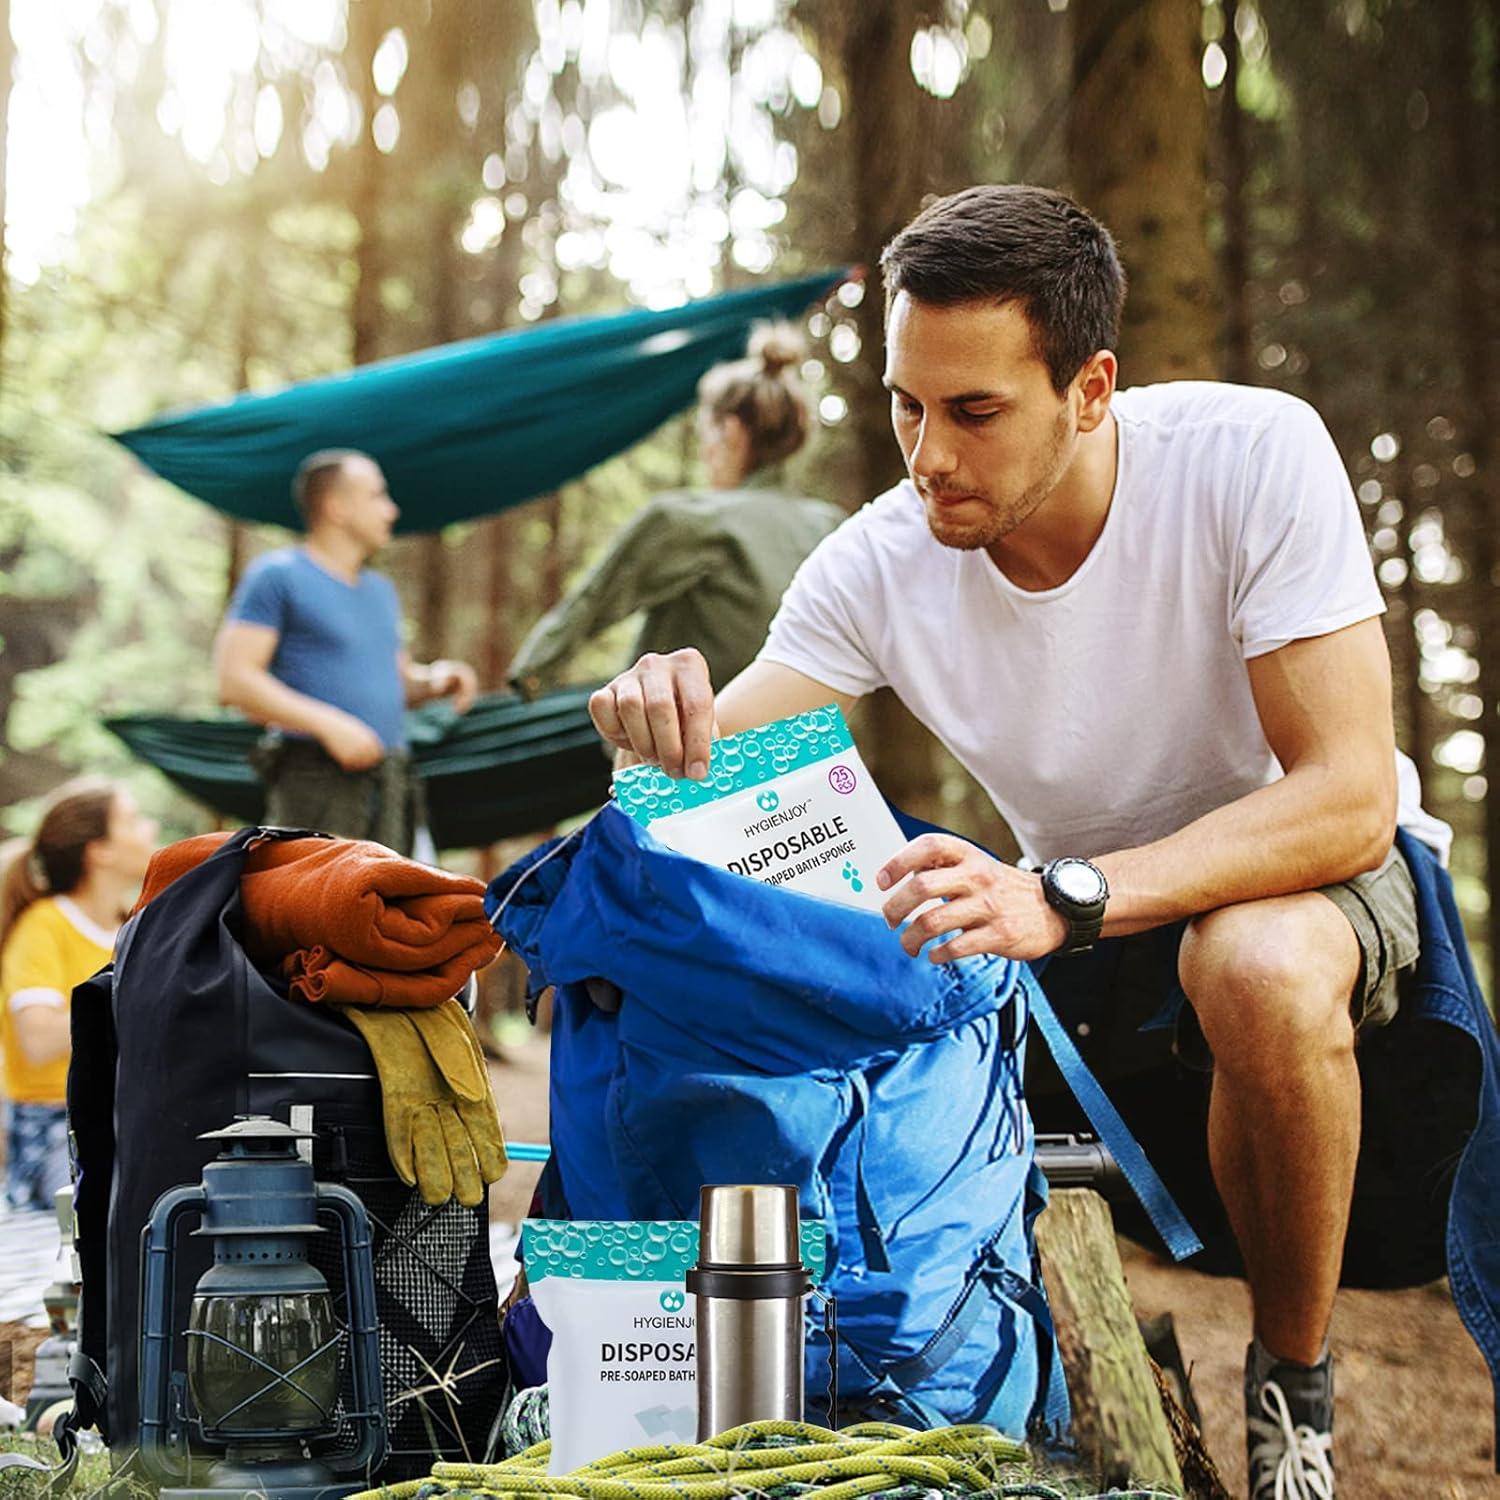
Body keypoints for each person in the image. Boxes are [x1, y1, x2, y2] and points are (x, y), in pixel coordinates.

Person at [586, 185, 1448, 1498]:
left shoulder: (1249, 456)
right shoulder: (879, 560)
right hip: (1081, 940)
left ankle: (1292, 1387)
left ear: (1091, 389)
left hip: (1301, 878)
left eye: (974, 411)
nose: (928, 455)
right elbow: (705, 772)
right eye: (905, 406)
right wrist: (654, 728)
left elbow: (1346, 796)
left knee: (1249, 965)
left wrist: (1067, 892)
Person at [508, 324, 844, 697]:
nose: (704, 453)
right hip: (812, 732)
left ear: (731, 431)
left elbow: (592, 601)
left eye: (705, 434)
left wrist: (530, 674)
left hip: (697, 730)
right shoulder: (831, 526)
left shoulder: (688, 519)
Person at [214, 450, 479, 856]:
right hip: (314, 781)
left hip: (389, 784)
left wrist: (436, 680)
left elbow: (397, 679)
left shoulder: (381, 591)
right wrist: (327, 724)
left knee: (388, 897)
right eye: (377, 495)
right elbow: (234, 679)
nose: (391, 510)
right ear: (336, 507)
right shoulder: (278, 576)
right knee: (312, 897)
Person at [0, 778, 157, 1212]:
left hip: (132, 1116)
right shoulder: (44, 927)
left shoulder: (134, 927)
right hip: (55, 1129)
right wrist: (136, 1001)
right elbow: (37, 1039)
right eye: (132, 820)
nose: (150, 828)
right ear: (99, 850)